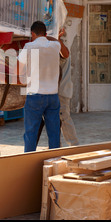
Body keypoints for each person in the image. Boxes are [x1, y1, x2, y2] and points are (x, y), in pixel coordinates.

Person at [18, 21, 69, 152]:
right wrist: (55, 38)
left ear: (32, 34)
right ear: (45, 34)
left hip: (35, 97)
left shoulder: (29, 46)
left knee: (31, 133)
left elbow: (18, 70)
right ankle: (55, 162)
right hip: (52, 97)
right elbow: (66, 54)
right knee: (54, 133)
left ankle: (28, 161)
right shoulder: (55, 45)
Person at [58, 29, 78, 146]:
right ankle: (57, 145)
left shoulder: (62, 51)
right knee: (57, 119)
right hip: (60, 90)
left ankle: (74, 145)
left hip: (61, 91)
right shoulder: (60, 48)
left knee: (64, 118)